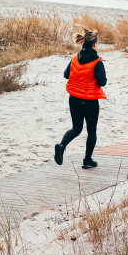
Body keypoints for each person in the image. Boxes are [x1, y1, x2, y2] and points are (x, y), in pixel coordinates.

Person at [54, 27, 107, 169]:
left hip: (74, 98)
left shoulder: (75, 58)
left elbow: (66, 75)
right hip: (90, 101)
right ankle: (87, 160)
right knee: (91, 131)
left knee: (76, 128)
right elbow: (102, 81)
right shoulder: (97, 62)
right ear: (95, 44)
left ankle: (61, 145)